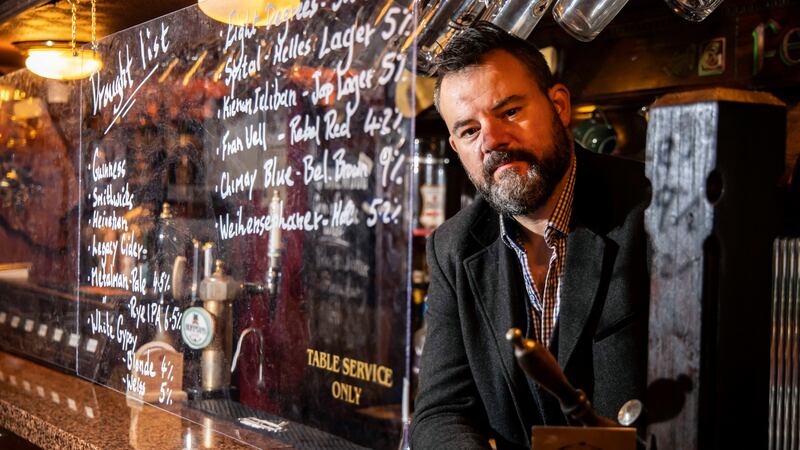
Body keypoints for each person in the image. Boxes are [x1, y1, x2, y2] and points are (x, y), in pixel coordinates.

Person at [410, 22, 650, 449]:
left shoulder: (651, 207)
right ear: (456, 145)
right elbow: (441, 413)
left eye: (510, 112)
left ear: (559, 106)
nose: (493, 140)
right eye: (469, 130)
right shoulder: (453, 247)